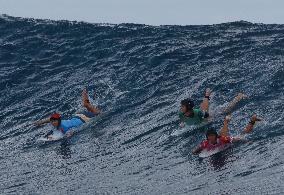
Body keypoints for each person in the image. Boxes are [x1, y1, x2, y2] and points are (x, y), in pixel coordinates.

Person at [34, 88, 101, 140]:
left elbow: (70, 133)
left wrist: (55, 138)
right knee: (90, 108)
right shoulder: (57, 121)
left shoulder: (64, 127)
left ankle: (85, 99)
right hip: (78, 116)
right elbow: (49, 119)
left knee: (99, 113)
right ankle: (85, 99)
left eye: (54, 121)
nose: (53, 123)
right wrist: (40, 122)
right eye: (52, 121)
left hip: (84, 118)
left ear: (59, 120)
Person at [192, 114, 262, 155]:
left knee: (244, 133)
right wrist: (195, 152)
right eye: (209, 136)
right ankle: (226, 121)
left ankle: (252, 120)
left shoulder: (223, 139)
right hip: (221, 140)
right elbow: (197, 150)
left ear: (215, 136)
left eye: (212, 136)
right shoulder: (205, 143)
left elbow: (237, 139)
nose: (210, 138)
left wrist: (248, 141)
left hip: (225, 139)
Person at [179, 88, 247, 127]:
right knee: (202, 108)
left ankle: (239, 97)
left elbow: (207, 115)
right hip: (200, 114)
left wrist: (209, 121)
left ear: (188, 107)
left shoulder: (198, 113)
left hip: (210, 114)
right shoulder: (181, 113)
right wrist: (183, 123)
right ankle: (207, 95)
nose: (181, 108)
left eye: (182, 106)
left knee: (227, 109)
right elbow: (183, 119)